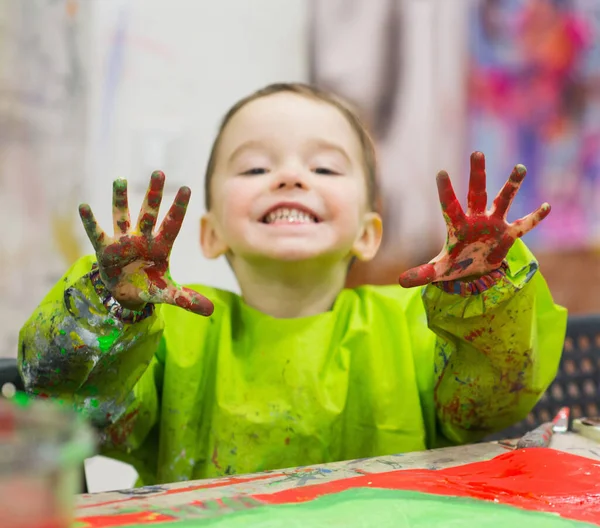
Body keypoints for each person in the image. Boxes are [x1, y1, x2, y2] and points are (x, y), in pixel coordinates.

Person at [19, 83, 566, 486]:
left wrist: (484, 293)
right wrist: (107, 306)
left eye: (325, 169)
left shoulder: (411, 329)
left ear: (367, 234)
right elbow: (76, 407)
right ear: (209, 234)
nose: (290, 176)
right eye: (255, 169)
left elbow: (494, 403)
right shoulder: (171, 340)